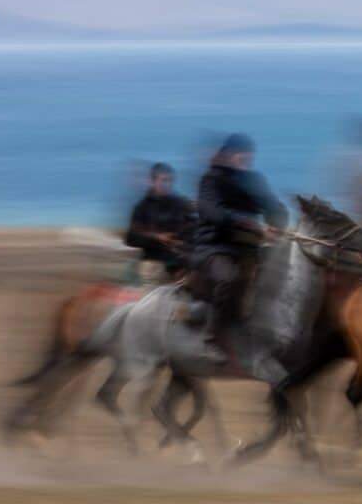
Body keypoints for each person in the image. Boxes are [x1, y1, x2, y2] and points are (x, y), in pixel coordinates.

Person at [192, 133, 289, 360]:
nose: (246, 159)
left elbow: (274, 207)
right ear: (227, 155)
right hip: (215, 247)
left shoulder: (255, 180)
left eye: (249, 155)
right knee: (229, 277)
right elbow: (213, 213)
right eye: (241, 154)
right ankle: (212, 337)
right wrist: (253, 225)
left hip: (250, 248)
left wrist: (277, 224)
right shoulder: (211, 180)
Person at [124, 162, 195, 284]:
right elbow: (131, 238)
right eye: (163, 180)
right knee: (154, 281)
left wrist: (181, 240)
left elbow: (193, 226)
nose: (166, 184)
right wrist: (156, 237)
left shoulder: (180, 204)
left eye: (169, 181)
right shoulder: (142, 208)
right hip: (153, 262)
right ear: (152, 182)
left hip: (180, 260)